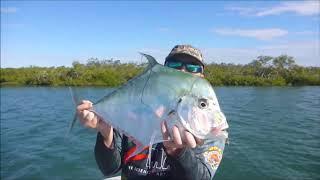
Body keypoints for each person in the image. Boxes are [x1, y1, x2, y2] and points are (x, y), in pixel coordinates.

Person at [77, 45, 228, 180]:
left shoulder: (208, 126)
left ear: (202, 75)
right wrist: (105, 132)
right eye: (174, 65)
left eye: (193, 67)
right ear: (163, 71)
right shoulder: (136, 105)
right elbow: (109, 169)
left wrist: (178, 152)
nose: (183, 70)